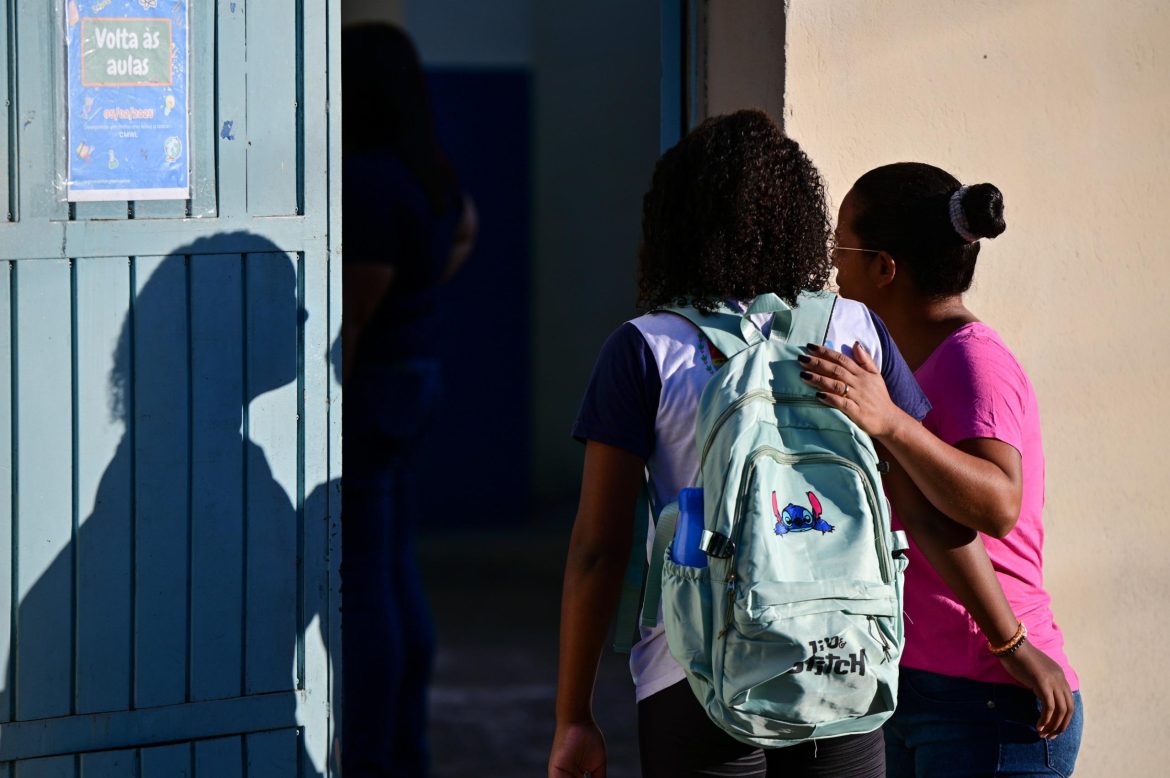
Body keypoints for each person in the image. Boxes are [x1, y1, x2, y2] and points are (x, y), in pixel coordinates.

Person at [549, 110, 995, 778]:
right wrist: (1008, 639)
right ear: (799, 220)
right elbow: (922, 515)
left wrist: (574, 718)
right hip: (841, 658)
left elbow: (598, 552)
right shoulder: (856, 329)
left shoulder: (646, 347)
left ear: (675, 223)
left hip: (693, 671)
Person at [798, 162, 1083, 775]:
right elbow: (920, 513)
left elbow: (997, 505)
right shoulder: (890, 359)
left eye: (841, 245)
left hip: (993, 697)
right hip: (913, 682)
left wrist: (893, 423)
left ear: (883, 267)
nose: (832, 265)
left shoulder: (971, 364)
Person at [340, 23, 477, 778]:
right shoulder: (429, 173)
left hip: (379, 385)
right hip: (417, 375)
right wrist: (421, 295)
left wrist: (328, 410)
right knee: (392, 570)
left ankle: (372, 757)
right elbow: (465, 233)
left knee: (366, 584)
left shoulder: (367, 180)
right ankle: (406, 752)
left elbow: (356, 316)